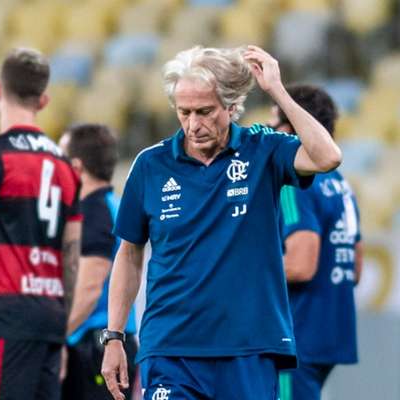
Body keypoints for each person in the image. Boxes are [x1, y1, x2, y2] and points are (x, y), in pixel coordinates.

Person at [100, 45, 343, 400]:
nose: (193, 124)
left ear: (231, 106)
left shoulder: (264, 149)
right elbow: (129, 253)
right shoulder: (150, 166)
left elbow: (327, 157)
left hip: (249, 349)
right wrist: (115, 336)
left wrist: (277, 90)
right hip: (171, 348)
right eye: (184, 112)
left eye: (205, 111)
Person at [0, 47, 82, 400]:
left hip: (5, 314)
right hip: (51, 315)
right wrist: (60, 329)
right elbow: (70, 258)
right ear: (43, 101)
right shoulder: (64, 164)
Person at [269, 85, 363, 400]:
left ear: (293, 127)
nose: (269, 133)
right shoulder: (340, 183)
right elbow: (356, 268)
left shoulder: (297, 183)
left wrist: (241, 273)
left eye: (274, 125)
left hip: (297, 336)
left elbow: (300, 264)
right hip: (331, 333)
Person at [58, 124, 138, 400]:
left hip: (94, 346)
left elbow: (89, 288)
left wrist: (54, 338)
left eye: (61, 158)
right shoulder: (112, 205)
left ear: (76, 167)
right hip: (110, 342)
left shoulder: (93, 213)